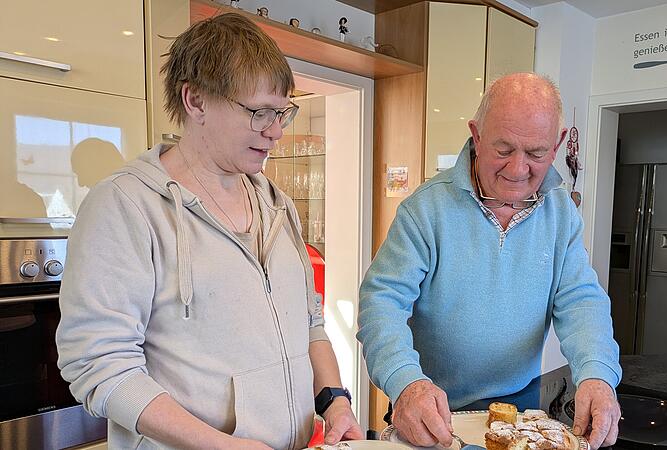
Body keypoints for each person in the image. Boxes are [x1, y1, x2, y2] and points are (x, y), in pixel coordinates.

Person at [56, 13, 362, 450]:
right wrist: (220, 445)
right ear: (195, 101)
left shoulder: (278, 205)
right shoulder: (124, 206)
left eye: (282, 113)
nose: (275, 132)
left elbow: (309, 322)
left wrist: (335, 403)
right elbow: (99, 364)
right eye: (259, 113)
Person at [357, 73, 621, 450]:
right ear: (476, 136)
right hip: (431, 407)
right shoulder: (426, 209)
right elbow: (381, 304)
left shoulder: (561, 212)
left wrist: (597, 374)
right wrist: (405, 381)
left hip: (519, 407)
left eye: (535, 154)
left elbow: (581, 300)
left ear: (558, 144)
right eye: (503, 149)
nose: (517, 170)